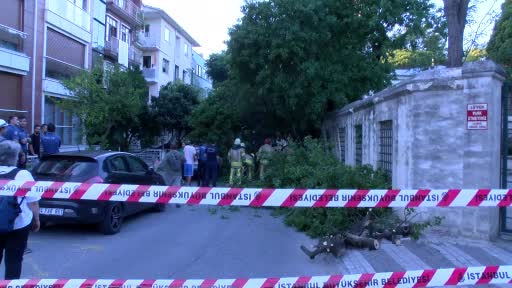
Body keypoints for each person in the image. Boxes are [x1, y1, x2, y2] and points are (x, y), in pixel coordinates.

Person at [0, 139, 40, 280]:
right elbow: (33, 202)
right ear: (16, 157)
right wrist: (36, 220)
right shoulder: (23, 175)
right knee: (14, 260)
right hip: (18, 224)